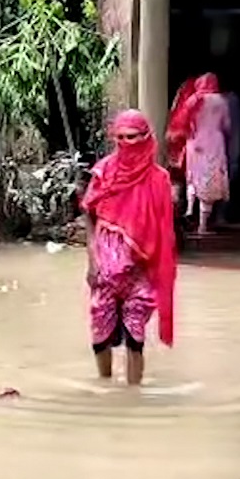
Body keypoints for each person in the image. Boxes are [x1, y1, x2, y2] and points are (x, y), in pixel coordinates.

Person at [80, 110, 177, 386]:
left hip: (141, 270)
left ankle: (134, 393)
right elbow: (89, 213)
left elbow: (164, 231)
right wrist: (92, 260)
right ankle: (104, 386)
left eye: (132, 137)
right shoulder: (104, 172)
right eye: (120, 138)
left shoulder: (159, 180)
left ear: (146, 138)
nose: (126, 143)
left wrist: (158, 270)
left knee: (135, 338)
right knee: (100, 334)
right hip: (105, 270)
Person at [166, 73, 232, 233]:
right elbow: (227, 125)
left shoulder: (193, 100)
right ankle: (203, 225)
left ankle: (189, 209)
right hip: (214, 143)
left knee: (193, 178)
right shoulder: (221, 101)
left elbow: (183, 123)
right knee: (210, 179)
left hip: (194, 142)